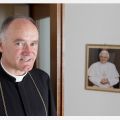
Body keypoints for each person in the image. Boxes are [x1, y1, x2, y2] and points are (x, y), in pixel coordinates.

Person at [0, 16, 56, 116]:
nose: (28, 52)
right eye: (19, 43)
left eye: (33, 43)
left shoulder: (42, 79)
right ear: (1, 45)